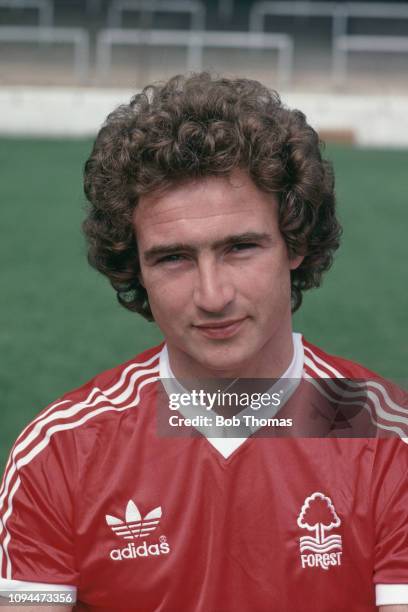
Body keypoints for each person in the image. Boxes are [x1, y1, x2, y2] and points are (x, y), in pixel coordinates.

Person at [0, 73, 407, 612]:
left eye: (240, 247)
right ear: (136, 268)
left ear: (295, 244)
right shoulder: (60, 454)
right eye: (173, 258)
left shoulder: (388, 443)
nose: (212, 296)